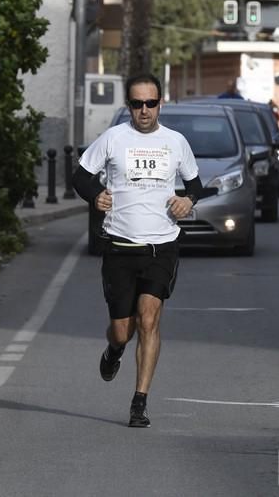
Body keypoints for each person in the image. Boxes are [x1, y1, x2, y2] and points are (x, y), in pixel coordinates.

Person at [72, 73, 203, 428]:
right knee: (122, 329)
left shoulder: (176, 142)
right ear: (128, 106)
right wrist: (94, 195)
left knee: (149, 319)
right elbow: (80, 175)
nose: (144, 110)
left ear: (161, 103)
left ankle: (139, 401)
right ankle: (114, 350)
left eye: (150, 103)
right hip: (119, 245)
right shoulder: (114, 139)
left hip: (161, 246)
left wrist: (186, 201)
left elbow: (194, 184)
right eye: (136, 103)